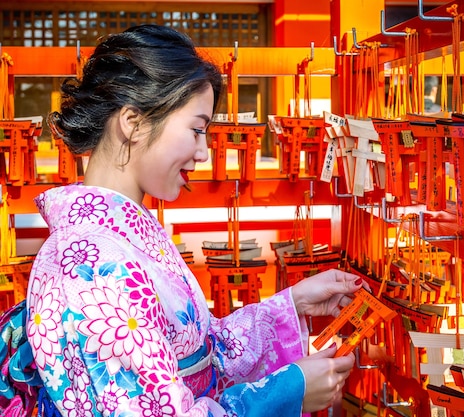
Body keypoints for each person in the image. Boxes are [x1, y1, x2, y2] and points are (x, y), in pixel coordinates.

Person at [15, 24, 365, 417]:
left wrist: (293, 303)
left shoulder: (122, 240)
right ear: (132, 122)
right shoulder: (88, 264)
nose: (203, 153)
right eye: (197, 130)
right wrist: (286, 391)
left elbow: (203, 352)